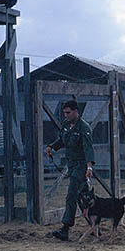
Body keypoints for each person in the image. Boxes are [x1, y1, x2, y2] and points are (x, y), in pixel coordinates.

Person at [45, 100, 95, 241]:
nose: (65, 115)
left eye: (68, 112)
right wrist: (51, 147)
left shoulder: (84, 128)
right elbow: (62, 140)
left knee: (71, 195)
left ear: (75, 111)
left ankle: (65, 229)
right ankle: (95, 226)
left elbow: (88, 149)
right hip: (71, 165)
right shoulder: (67, 126)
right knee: (84, 198)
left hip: (81, 166)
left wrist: (89, 167)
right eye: (64, 113)